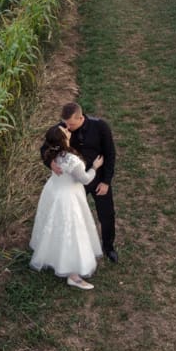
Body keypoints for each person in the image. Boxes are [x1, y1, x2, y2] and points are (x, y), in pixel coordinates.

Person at [42, 102, 118, 263]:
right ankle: (70, 251)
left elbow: (110, 154)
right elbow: (45, 148)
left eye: (71, 124)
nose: (67, 127)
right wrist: (50, 163)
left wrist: (106, 182)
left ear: (81, 117)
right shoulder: (62, 129)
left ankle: (109, 247)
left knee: (107, 214)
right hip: (75, 183)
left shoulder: (101, 127)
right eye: (65, 123)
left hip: (97, 178)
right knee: (74, 218)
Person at [30, 124, 104, 289]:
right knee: (71, 230)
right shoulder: (71, 159)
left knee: (57, 227)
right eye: (65, 132)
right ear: (63, 139)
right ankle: (73, 274)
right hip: (68, 197)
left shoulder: (53, 154)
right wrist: (94, 167)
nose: (68, 130)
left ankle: (54, 256)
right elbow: (85, 179)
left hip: (54, 191)